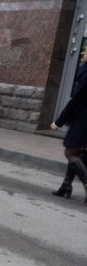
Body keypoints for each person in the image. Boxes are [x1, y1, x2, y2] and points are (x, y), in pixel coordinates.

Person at [50, 52, 87, 203]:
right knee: (79, 153)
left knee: (70, 152)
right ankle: (66, 186)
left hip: (83, 119)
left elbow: (75, 101)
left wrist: (59, 121)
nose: (83, 52)